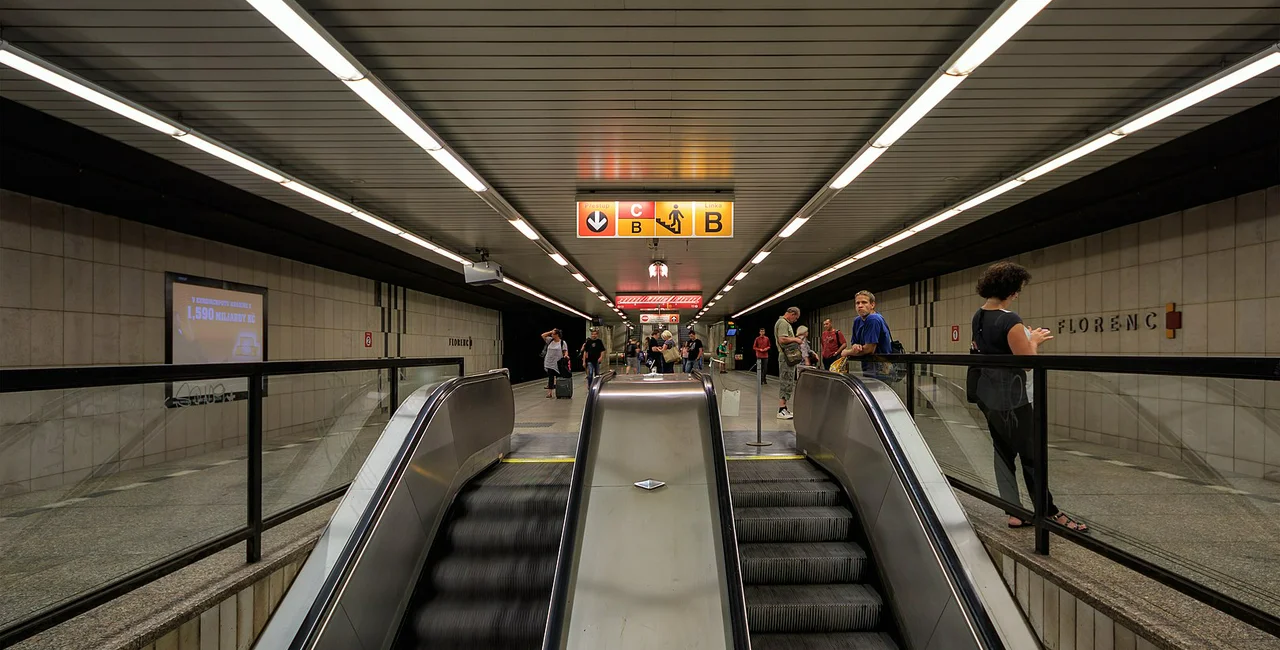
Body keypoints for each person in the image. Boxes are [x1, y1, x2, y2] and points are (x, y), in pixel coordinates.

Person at [972, 262, 1088, 533]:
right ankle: (1047, 511)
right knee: (1031, 456)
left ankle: (1014, 511)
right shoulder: (1010, 320)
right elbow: (1027, 363)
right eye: (1017, 289)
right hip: (1015, 400)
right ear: (1010, 289)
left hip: (990, 396)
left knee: (1002, 453)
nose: (1018, 294)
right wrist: (1034, 340)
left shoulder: (978, 316)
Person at [842, 290, 892, 377]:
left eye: (864, 302)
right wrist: (855, 346)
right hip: (867, 367)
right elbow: (854, 342)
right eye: (857, 303)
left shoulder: (873, 319)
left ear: (872, 305)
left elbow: (869, 349)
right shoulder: (857, 321)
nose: (860, 306)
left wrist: (846, 352)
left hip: (880, 369)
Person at [774, 307, 802, 419]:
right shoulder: (783, 323)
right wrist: (796, 339)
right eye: (796, 318)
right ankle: (781, 409)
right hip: (785, 357)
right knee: (786, 381)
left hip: (787, 357)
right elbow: (782, 339)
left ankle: (784, 408)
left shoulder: (783, 323)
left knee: (789, 381)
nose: (795, 320)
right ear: (792, 313)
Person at [540, 328, 569, 399]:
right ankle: (549, 393)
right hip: (549, 362)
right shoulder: (550, 340)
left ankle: (560, 391)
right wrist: (550, 331)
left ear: (557, 335)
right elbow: (543, 335)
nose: (552, 335)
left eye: (553, 334)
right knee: (550, 377)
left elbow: (565, 351)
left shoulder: (562, 342)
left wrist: (565, 356)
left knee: (559, 377)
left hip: (558, 362)